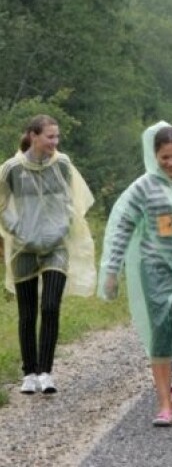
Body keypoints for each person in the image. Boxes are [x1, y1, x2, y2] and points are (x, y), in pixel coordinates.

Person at [98, 121, 172, 427]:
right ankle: (164, 403)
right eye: (164, 158)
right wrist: (112, 270)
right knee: (161, 329)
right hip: (156, 266)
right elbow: (123, 227)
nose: (170, 163)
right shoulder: (143, 187)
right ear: (154, 157)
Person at [0, 114, 96, 395]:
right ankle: (29, 373)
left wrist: (63, 224)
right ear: (33, 136)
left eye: (57, 137)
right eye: (50, 136)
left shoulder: (63, 164)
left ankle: (46, 372)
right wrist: (15, 229)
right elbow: (2, 203)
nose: (55, 142)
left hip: (56, 246)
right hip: (24, 249)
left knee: (51, 306)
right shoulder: (11, 169)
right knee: (27, 313)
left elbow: (74, 200)